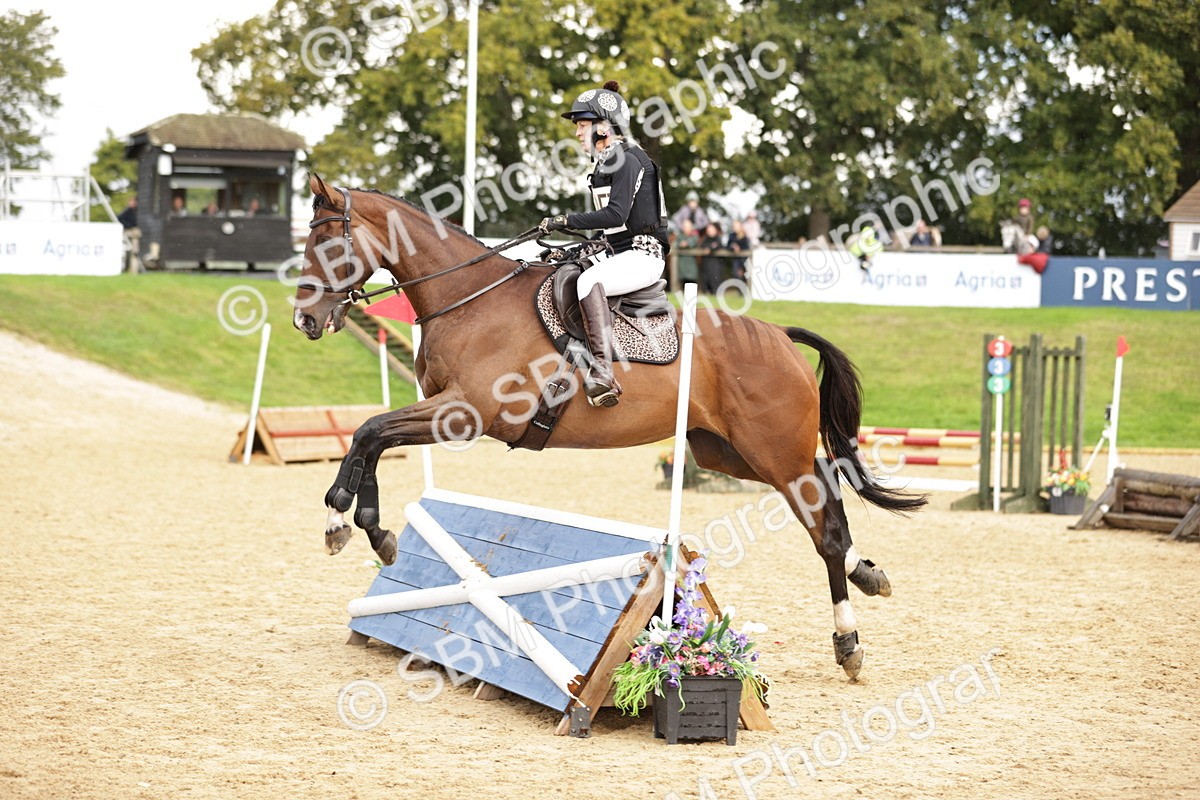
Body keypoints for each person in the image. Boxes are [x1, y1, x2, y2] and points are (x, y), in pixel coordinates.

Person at [539, 80, 670, 409]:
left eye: (583, 125)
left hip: (644, 254)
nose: (578, 132)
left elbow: (614, 215)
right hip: (621, 251)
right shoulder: (606, 166)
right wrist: (572, 249)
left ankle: (603, 372)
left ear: (605, 127)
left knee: (588, 280)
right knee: (558, 269)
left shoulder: (628, 160)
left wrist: (565, 220)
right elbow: (610, 233)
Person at [699, 221, 725, 294]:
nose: (710, 231)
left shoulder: (718, 239)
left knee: (715, 280)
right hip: (706, 264)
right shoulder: (705, 239)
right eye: (709, 230)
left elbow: (717, 246)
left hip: (716, 264)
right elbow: (702, 246)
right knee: (706, 280)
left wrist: (710, 249)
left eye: (711, 229)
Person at [117, 197, 141, 272]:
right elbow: (119, 218)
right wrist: (128, 226)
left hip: (134, 233)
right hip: (129, 232)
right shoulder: (127, 211)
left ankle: (133, 269)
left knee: (134, 252)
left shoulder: (136, 211)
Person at [674, 218, 700, 284]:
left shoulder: (694, 236)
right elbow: (675, 244)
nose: (686, 228)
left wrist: (686, 243)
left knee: (692, 281)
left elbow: (693, 242)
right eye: (685, 226)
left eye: (688, 226)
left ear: (691, 227)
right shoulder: (680, 236)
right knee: (683, 281)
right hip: (682, 263)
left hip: (692, 262)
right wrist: (680, 244)